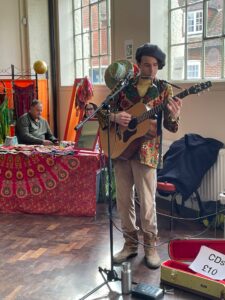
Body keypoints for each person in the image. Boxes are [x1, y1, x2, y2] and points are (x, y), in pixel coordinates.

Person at [98, 44, 182, 269]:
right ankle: (129, 245)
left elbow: (170, 127)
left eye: (155, 65)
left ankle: (151, 247)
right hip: (121, 150)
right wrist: (115, 117)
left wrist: (175, 115)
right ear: (138, 65)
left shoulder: (165, 90)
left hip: (147, 152)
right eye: (147, 64)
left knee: (147, 203)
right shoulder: (124, 87)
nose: (151, 69)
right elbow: (101, 112)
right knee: (124, 202)